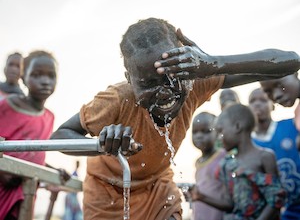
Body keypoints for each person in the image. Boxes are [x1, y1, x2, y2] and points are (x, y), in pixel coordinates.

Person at [51, 17, 300, 220]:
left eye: (173, 77)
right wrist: (102, 146)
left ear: (188, 67)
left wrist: (214, 63)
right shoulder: (116, 99)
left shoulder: (197, 82)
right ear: (129, 78)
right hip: (108, 193)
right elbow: (59, 136)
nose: (164, 92)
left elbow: (291, 61)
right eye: (148, 83)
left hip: (157, 186)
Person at [186, 104, 286, 219]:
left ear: (237, 127)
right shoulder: (228, 164)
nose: (218, 137)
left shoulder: (265, 157)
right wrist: (201, 197)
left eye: (221, 131)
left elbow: (276, 199)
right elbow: (231, 205)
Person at [0, 50, 59, 220]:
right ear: (24, 77)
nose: (45, 81)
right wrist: (4, 171)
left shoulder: (49, 117)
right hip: (3, 190)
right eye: (36, 75)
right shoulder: (6, 106)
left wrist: (54, 171)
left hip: (26, 191)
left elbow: (33, 153)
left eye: (51, 76)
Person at [249, 88, 300, 220]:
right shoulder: (248, 143)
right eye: (252, 101)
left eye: (263, 100)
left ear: (273, 104)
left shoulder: (292, 125)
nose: (257, 104)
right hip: (271, 212)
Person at [190, 112, 226, 220]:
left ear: (218, 133)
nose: (199, 136)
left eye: (206, 131)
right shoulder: (198, 162)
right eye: (195, 132)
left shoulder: (223, 157)